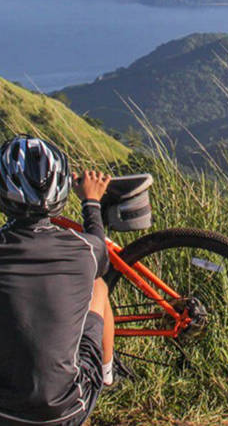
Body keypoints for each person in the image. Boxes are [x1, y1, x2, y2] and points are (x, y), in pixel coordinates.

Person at [0, 134, 115, 426]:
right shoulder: (85, 251)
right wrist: (91, 202)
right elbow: (100, 253)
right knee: (98, 287)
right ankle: (106, 375)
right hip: (67, 411)